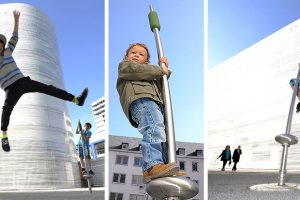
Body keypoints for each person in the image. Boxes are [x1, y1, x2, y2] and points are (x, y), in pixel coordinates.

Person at [0, 11, 88, 152]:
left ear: (3, 46)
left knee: (48, 88)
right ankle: (4, 135)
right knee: (7, 109)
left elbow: (15, 36)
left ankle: (77, 100)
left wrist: (16, 19)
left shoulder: (8, 52)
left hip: (23, 81)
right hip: (10, 88)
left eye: (0, 44)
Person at [116, 43, 185, 182]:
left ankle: (164, 167)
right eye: (133, 53)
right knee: (153, 127)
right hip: (140, 100)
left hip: (154, 104)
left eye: (141, 54)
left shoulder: (149, 74)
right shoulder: (125, 67)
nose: (136, 55)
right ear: (126, 56)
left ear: (146, 61)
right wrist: (161, 70)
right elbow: (139, 70)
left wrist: (166, 70)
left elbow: (160, 85)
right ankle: (152, 166)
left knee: (162, 136)